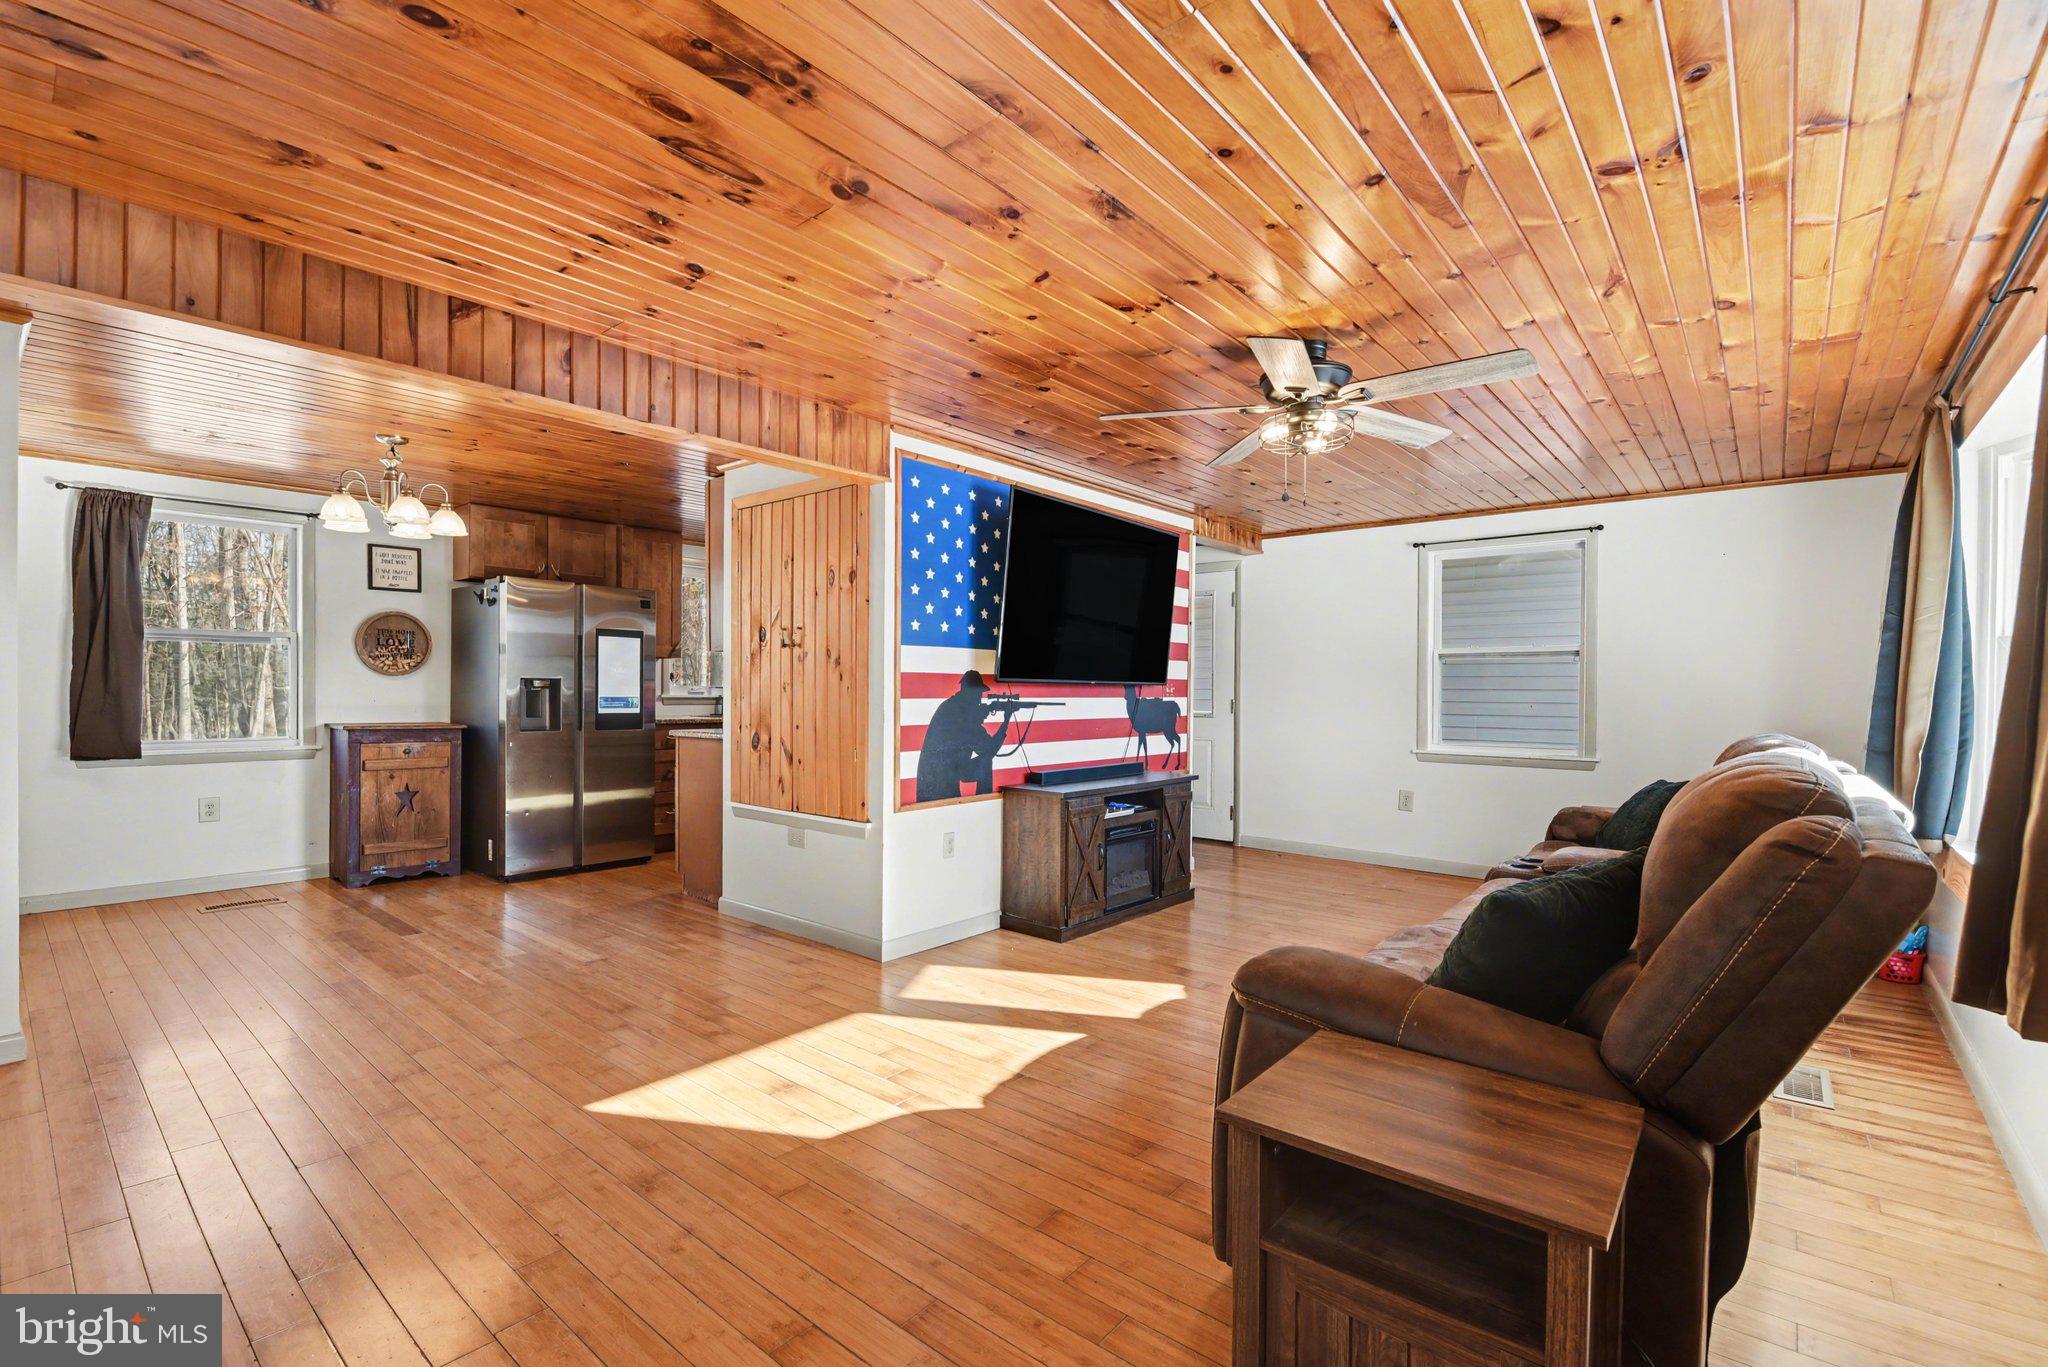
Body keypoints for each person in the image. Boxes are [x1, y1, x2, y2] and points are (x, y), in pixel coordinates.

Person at [914, 670, 1011, 802]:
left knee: (984, 761)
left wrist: (979, 717)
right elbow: (989, 749)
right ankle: (983, 805)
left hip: (939, 776)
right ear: (971, 693)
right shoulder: (962, 715)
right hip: (939, 785)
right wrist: (1006, 721)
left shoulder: (950, 706)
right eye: (978, 694)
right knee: (985, 762)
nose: (979, 699)